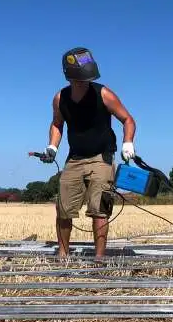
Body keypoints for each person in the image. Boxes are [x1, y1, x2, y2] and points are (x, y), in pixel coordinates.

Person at [40, 47, 136, 258]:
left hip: (102, 157)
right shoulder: (60, 98)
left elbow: (128, 120)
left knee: (100, 209)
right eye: (81, 79)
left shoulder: (104, 94)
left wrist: (128, 142)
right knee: (63, 209)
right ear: (70, 76)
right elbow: (57, 124)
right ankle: (63, 256)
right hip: (74, 158)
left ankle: (99, 260)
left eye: (87, 79)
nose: (84, 82)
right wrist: (52, 147)